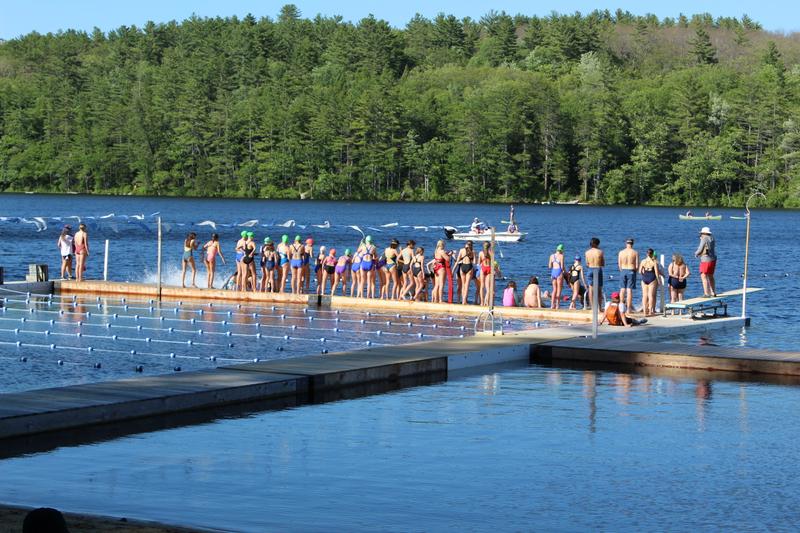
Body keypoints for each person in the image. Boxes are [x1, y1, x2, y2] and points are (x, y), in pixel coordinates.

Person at [617, 238, 639, 313]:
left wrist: (622, 270)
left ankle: (621, 307)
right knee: (629, 290)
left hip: (623, 270)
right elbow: (637, 266)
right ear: (632, 244)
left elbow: (619, 265)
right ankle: (629, 309)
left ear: (626, 243)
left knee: (622, 289)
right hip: (631, 270)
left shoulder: (621, 252)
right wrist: (634, 271)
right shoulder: (635, 252)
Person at [695, 226, 717, 297]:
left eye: (701, 233)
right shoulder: (712, 238)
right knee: (711, 276)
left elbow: (701, 249)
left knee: (703, 276)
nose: (701, 235)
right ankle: (713, 292)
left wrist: (696, 253)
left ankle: (706, 293)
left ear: (704, 233)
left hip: (705, 259)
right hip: (713, 259)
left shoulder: (704, 239)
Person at [584, 237, 605, 310]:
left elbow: (587, 264)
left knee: (591, 288)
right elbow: (603, 263)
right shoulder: (600, 252)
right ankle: (599, 307)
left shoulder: (587, 252)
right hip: (597, 269)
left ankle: (593, 307)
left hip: (590, 269)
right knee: (599, 289)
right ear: (597, 244)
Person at [639, 248, 660, 316]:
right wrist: (659, 281)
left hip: (644, 278)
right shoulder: (654, 262)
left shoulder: (643, 261)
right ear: (652, 254)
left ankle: (645, 312)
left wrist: (644, 275)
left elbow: (640, 271)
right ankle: (651, 311)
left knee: (644, 295)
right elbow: (656, 273)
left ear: (646, 253)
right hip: (652, 277)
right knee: (651, 295)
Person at [455, 241, 474, 305]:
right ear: (471, 245)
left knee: (463, 285)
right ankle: (464, 301)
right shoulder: (473, 251)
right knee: (467, 285)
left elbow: (457, 261)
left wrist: (453, 270)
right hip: (469, 267)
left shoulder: (461, 250)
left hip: (462, 267)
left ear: (465, 244)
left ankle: (463, 300)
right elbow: (474, 262)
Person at [548, 244, 566, 310]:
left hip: (553, 272)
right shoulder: (561, 256)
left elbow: (549, 266)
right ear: (561, 250)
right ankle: (557, 305)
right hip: (559, 272)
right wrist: (566, 272)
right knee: (559, 289)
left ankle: (552, 305)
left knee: (554, 290)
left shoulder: (551, 256)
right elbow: (562, 267)